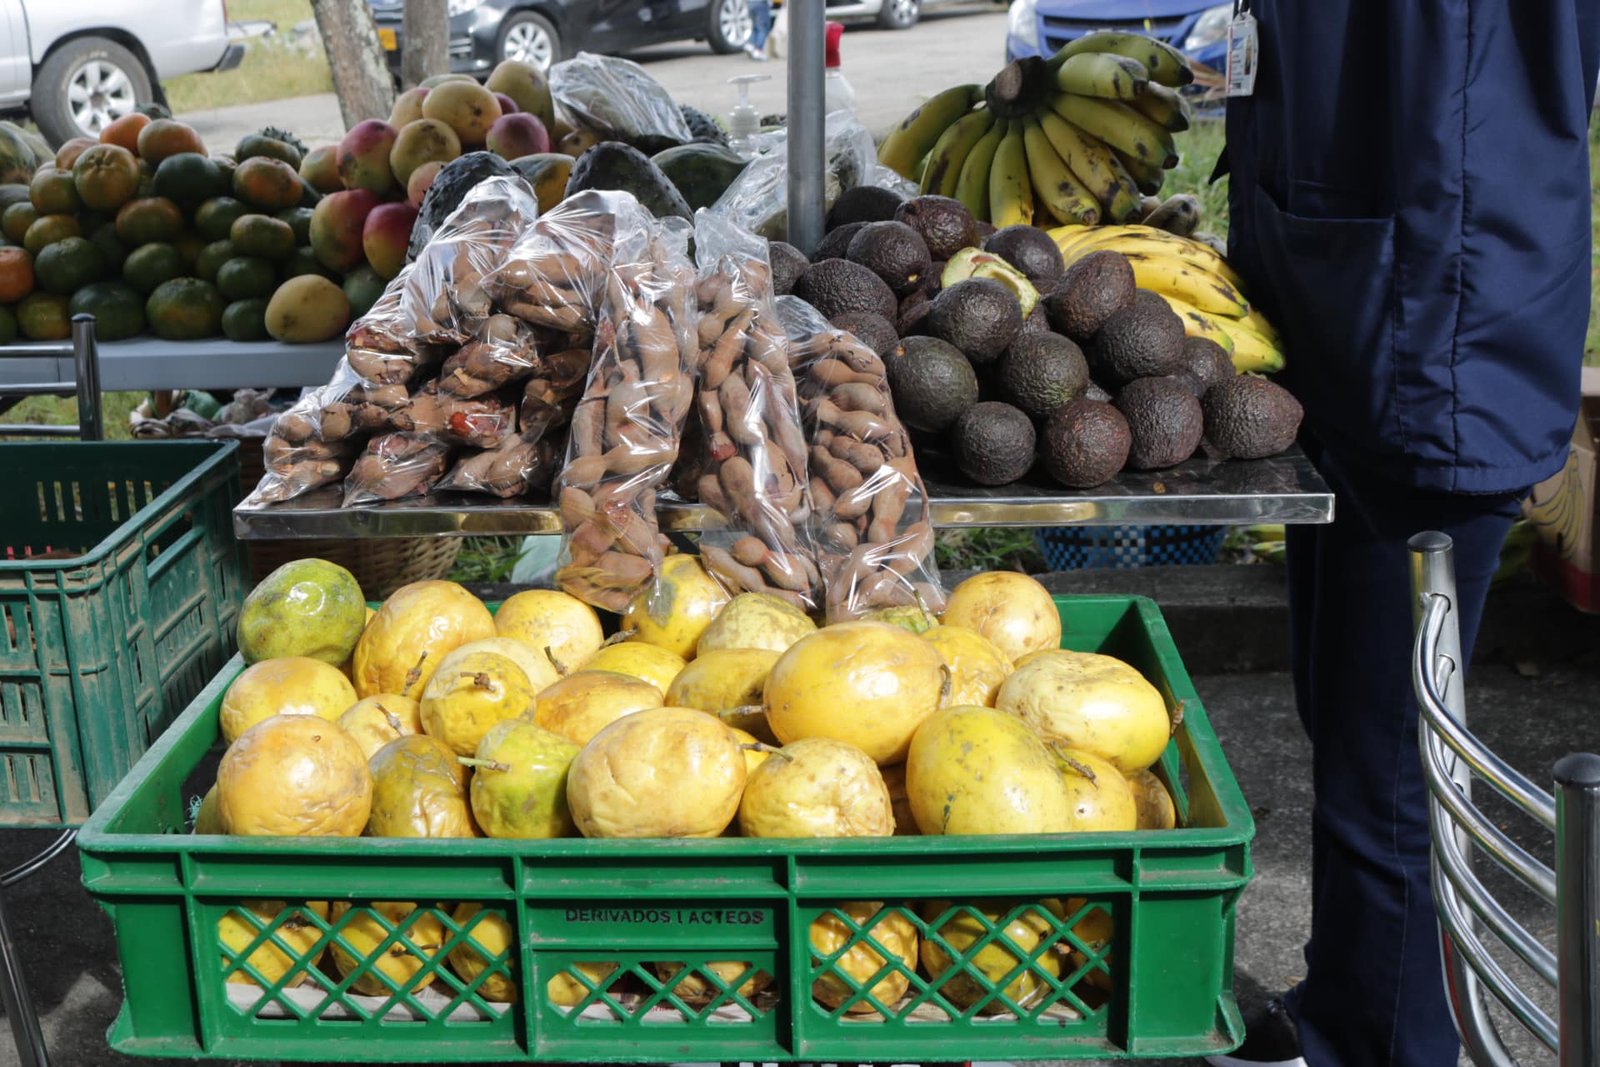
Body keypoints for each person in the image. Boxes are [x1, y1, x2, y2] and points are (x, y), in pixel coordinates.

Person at [1211, 4, 1600, 1066]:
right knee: (1341, 723)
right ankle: (1345, 997)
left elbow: (1451, 150)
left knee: (1386, 773)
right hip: (1344, 309)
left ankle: (1380, 1040)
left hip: (1432, 344)